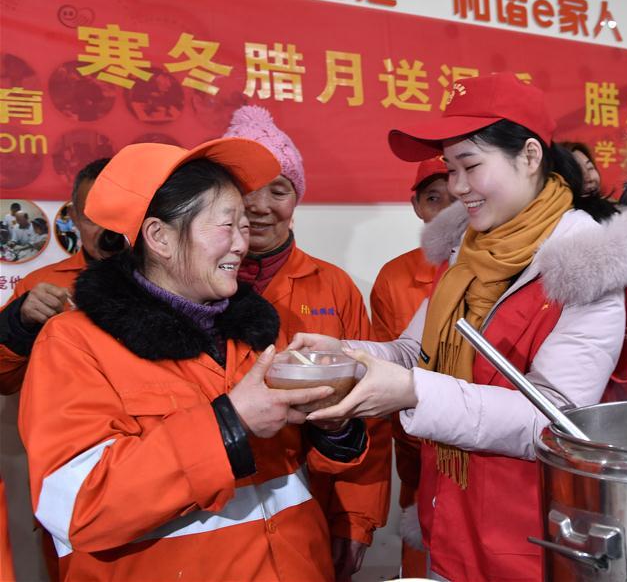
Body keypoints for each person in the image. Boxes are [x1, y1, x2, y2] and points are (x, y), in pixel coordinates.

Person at [291, 72, 627, 580]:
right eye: (449, 168)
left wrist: (413, 392)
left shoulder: (587, 269)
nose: (456, 186)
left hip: (539, 542)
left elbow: (556, 422)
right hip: (452, 525)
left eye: (469, 166)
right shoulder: (469, 254)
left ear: (530, 157)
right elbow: (410, 352)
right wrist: (346, 356)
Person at [17, 139, 369, 581]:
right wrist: (231, 424)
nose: (242, 243)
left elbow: (297, 471)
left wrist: (335, 430)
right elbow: (78, 508)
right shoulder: (74, 343)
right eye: (226, 225)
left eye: (245, 226)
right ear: (159, 237)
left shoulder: (264, 329)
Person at [224, 106, 390, 580]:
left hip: (313, 509)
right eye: (244, 191)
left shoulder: (333, 285)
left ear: (295, 200)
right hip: (217, 510)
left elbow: (370, 410)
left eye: (278, 190)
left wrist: (355, 519)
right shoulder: (192, 288)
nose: (259, 206)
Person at [369, 156, 454, 577]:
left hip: (490, 445)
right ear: (417, 206)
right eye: (435, 198)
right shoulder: (394, 277)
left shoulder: (503, 266)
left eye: (458, 194)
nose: (450, 207)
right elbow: (393, 356)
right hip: (418, 447)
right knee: (425, 556)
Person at [0, 159, 113, 393]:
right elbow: (4, 382)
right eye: (93, 218)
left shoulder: (174, 279)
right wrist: (20, 323)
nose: (107, 232)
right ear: (73, 216)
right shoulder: (42, 286)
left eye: (117, 216)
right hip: (72, 421)